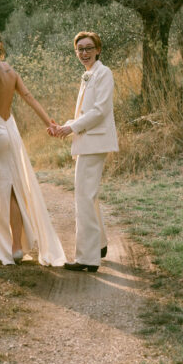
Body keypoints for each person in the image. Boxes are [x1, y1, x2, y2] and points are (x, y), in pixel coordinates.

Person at [0, 28, 66, 268]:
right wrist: (49, 123)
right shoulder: (10, 70)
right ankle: (15, 247)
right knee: (11, 189)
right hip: (9, 132)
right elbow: (29, 98)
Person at [50, 31, 118, 273]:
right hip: (88, 142)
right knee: (90, 196)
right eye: (80, 49)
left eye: (89, 48)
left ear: (98, 49)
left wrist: (71, 127)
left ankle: (87, 258)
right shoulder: (89, 75)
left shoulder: (104, 73)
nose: (84, 53)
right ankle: (98, 245)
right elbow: (84, 114)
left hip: (95, 144)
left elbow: (100, 111)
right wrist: (64, 127)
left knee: (84, 198)